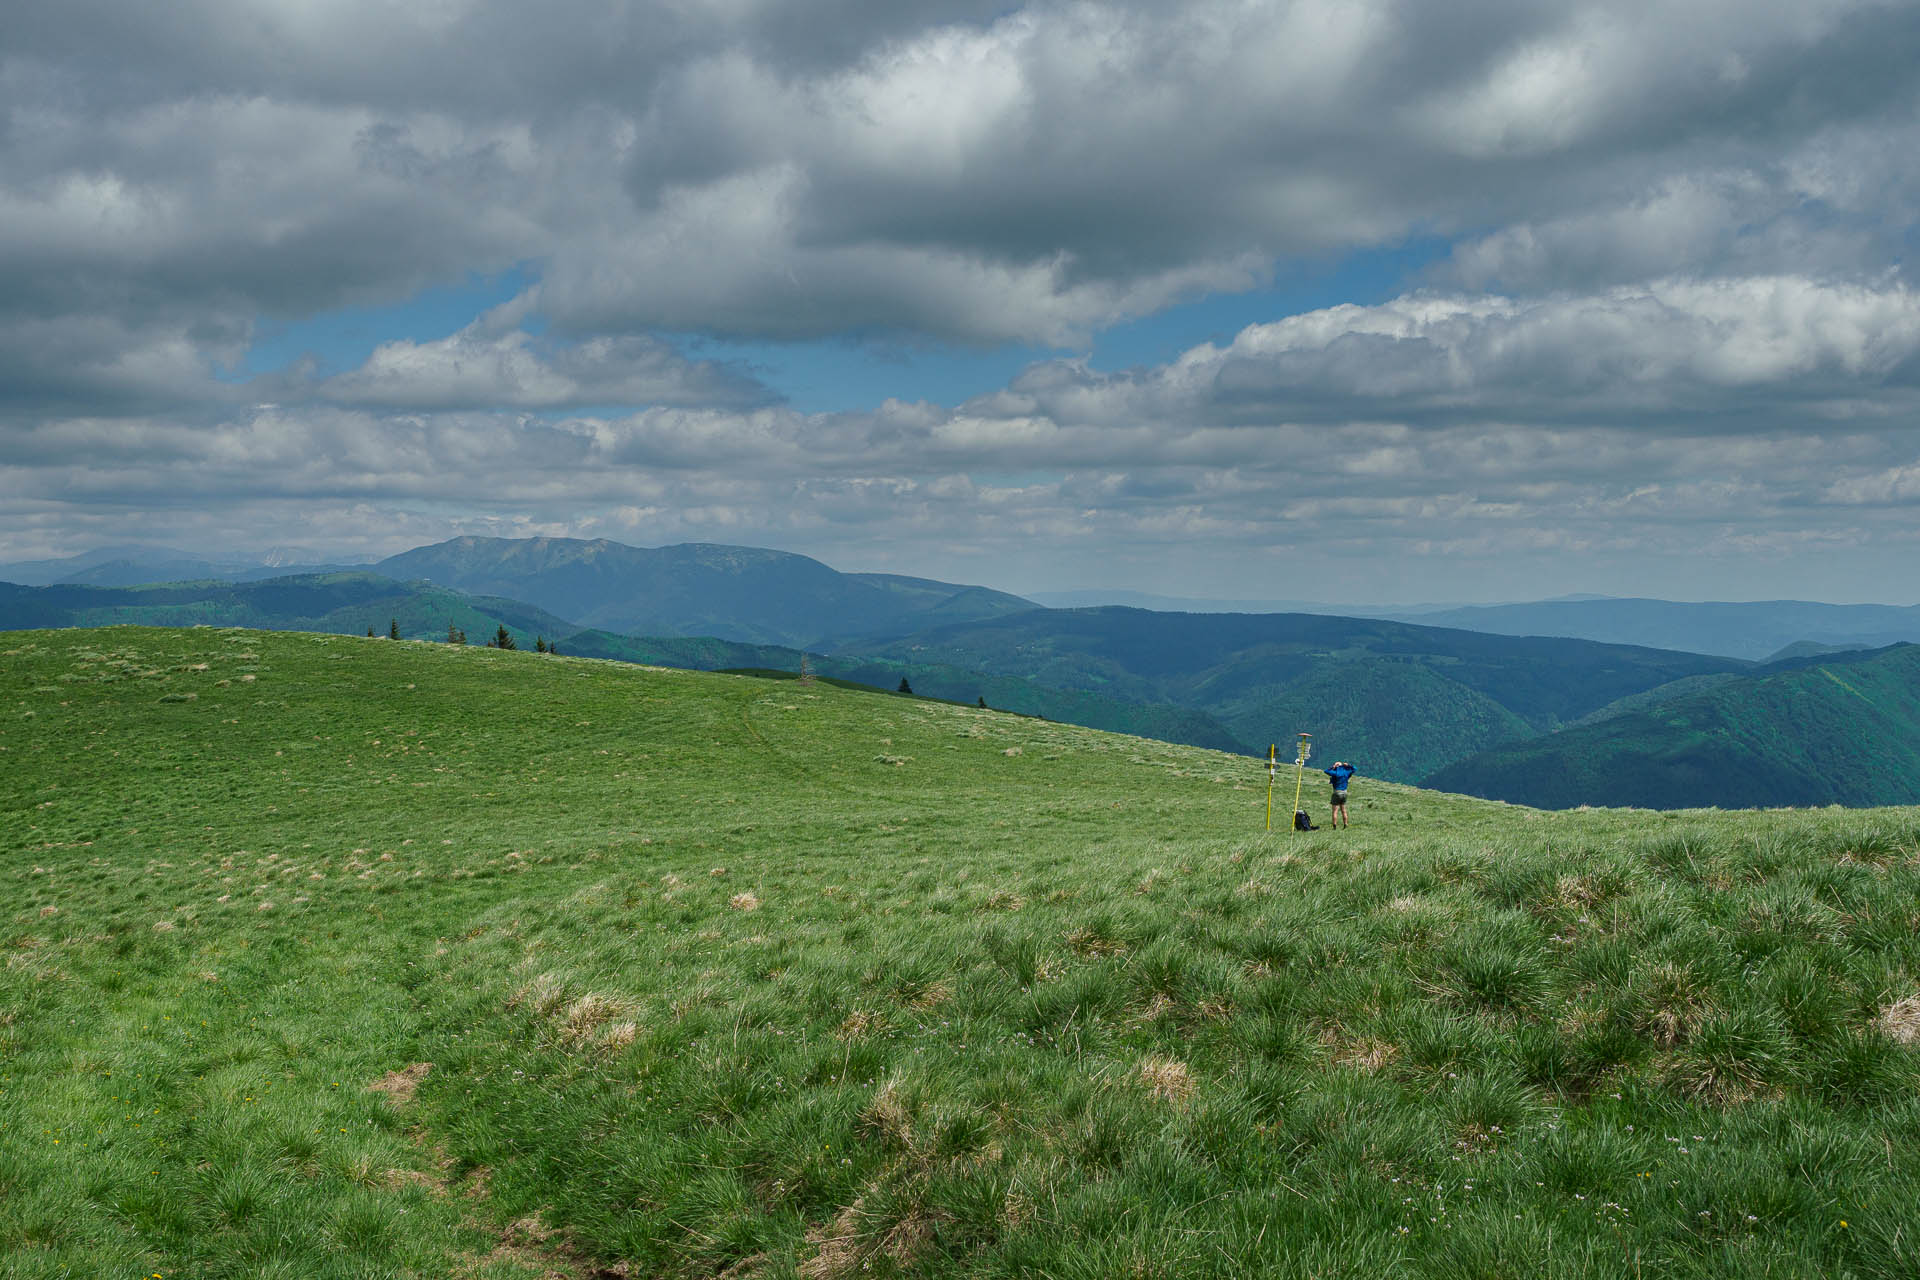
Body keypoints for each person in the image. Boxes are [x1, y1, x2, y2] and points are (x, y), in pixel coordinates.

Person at [1324, 761, 1356, 828]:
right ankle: (1345, 824)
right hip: (1344, 792)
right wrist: (1348, 765)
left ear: (1337, 766)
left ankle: (1334, 826)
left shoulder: (1335, 773)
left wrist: (1333, 767)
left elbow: (1326, 771)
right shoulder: (1346, 772)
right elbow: (1354, 769)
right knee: (1343, 810)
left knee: (1335, 811)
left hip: (1337, 792)